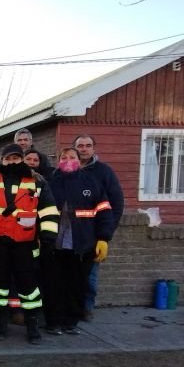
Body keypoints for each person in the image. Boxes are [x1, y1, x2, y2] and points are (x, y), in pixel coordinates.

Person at [0, 144, 58, 344]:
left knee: (29, 287)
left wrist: (49, 238)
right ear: (2, 160)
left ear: (22, 160)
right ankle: (0, 324)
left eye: (16, 159)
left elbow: (48, 211)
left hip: (25, 244)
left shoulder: (37, 182)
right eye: (8, 159)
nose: (12, 162)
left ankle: (32, 327)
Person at [47, 147, 116, 334]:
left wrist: (103, 238)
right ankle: (53, 322)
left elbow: (104, 212)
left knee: (77, 285)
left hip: (82, 245)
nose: (68, 160)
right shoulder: (51, 183)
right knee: (54, 286)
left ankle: (71, 322)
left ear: (79, 160)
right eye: (64, 157)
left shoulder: (91, 183)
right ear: (58, 161)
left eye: (72, 157)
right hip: (55, 245)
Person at [74, 134, 125, 318]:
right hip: (70, 235)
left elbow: (116, 204)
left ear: (94, 148)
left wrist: (106, 234)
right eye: (80, 146)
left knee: (91, 275)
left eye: (88, 145)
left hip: (94, 234)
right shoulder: (65, 171)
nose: (84, 149)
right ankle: (71, 307)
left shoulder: (104, 172)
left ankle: (86, 308)